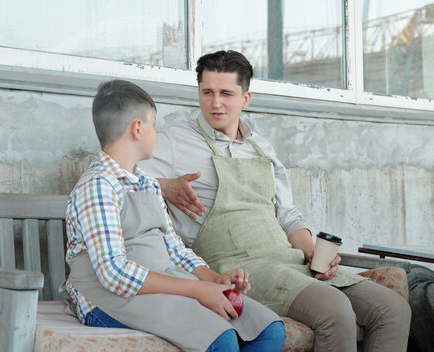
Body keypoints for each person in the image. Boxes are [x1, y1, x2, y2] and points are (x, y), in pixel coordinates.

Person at [138, 51, 412, 351]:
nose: (216, 103)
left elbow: (287, 215)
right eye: (208, 92)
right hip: (234, 266)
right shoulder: (175, 140)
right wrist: (163, 186)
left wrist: (312, 252)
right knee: (335, 309)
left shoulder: (261, 146)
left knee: (393, 309)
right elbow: (118, 173)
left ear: (245, 99)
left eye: (226, 93)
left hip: (285, 259)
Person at [63, 79, 285, 352]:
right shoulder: (98, 185)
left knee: (268, 330)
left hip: (165, 283)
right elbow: (114, 274)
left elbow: (175, 249)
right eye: (154, 125)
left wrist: (214, 280)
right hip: (109, 297)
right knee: (220, 340)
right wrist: (196, 290)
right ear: (137, 128)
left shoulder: (147, 182)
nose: (156, 133)